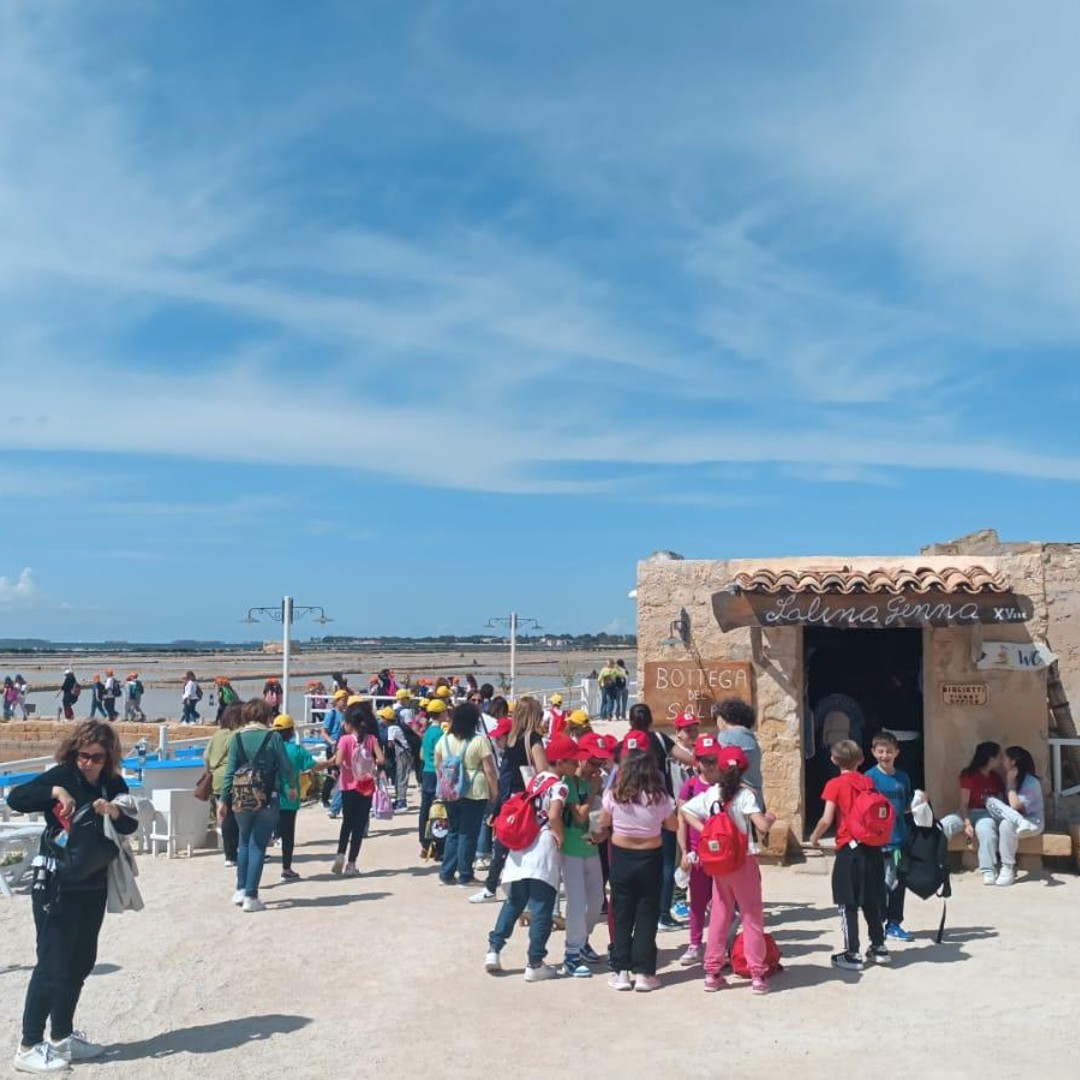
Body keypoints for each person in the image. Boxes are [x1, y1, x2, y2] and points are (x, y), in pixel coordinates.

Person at [7, 720, 139, 1072]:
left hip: (93, 882)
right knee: (52, 962)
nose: (89, 763)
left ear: (109, 756)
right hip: (55, 882)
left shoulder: (112, 782)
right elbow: (16, 798)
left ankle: (61, 1037)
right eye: (84, 755)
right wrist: (55, 792)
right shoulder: (63, 775)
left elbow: (130, 823)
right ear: (73, 752)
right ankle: (28, 1045)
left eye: (97, 757)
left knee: (80, 962)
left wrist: (113, 810)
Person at [680, 746, 777, 993]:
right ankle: (757, 974)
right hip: (743, 860)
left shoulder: (712, 793)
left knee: (719, 915)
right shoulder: (746, 795)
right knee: (751, 916)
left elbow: (686, 810)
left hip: (719, 862)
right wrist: (771, 818)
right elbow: (762, 826)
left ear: (720, 767)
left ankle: (712, 972)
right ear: (745, 768)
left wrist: (706, 831)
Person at [598, 731, 678, 992]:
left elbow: (603, 823)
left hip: (622, 857)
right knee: (647, 913)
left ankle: (621, 972)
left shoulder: (615, 794)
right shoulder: (660, 796)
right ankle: (644, 973)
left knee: (622, 913)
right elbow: (672, 826)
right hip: (650, 858)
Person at [484, 760, 568, 982]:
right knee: (542, 908)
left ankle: (493, 950)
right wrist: (561, 837)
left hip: (521, 845)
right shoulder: (560, 786)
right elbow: (554, 815)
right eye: (573, 761)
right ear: (562, 762)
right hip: (542, 848)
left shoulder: (538, 779)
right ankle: (535, 962)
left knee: (514, 903)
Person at [808, 739, 889, 971]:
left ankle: (852, 952)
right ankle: (879, 947)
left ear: (834, 760)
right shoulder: (869, 781)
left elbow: (826, 819)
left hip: (849, 848)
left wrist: (814, 837)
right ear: (861, 760)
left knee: (848, 901)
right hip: (872, 847)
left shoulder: (834, 784)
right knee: (871, 898)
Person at [470, 696, 550, 903]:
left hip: (510, 799)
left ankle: (491, 887)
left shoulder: (512, 740)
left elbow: (506, 776)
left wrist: (497, 807)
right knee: (527, 844)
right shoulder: (532, 739)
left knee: (503, 844)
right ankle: (523, 889)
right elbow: (543, 772)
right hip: (527, 799)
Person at [220, 699, 295, 912]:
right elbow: (286, 766)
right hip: (267, 797)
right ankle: (251, 896)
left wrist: (223, 800)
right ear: (266, 716)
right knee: (258, 846)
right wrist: (290, 786)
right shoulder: (273, 737)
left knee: (243, 843)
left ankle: (240, 889)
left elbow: (230, 772)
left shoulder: (236, 738)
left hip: (240, 797)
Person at [626, 702, 694, 932]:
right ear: (651, 720)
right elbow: (687, 759)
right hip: (659, 805)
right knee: (665, 863)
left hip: (630, 810)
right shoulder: (658, 739)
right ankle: (663, 914)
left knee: (636, 861)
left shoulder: (625, 743)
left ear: (630, 721)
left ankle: (639, 911)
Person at [553, 734, 605, 977]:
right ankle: (571, 954)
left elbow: (599, 819)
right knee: (576, 901)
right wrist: (593, 790)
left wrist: (602, 834)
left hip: (591, 848)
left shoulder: (593, 783)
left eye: (600, 763)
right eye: (593, 762)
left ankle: (582, 940)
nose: (596, 768)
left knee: (596, 900)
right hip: (571, 849)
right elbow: (580, 815)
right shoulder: (569, 782)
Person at [434, 702, 498, 887]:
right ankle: (465, 875)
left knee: (454, 831)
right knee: (468, 834)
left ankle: (446, 873)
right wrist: (495, 793)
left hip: (451, 790)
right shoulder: (479, 741)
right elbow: (489, 770)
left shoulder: (445, 739)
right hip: (474, 791)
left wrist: (447, 781)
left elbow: (438, 763)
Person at [676, 733, 723, 967]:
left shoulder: (726, 784)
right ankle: (695, 944)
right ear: (698, 762)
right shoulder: (691, 786)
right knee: (697, 902)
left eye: (714, 759)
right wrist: (684, 851)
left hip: (723, 854)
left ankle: (719, 944)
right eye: (706, 760)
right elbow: (682, 820)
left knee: (720, 902)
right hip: (698, 853)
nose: (710, 765)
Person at [865, 731, 913, 941]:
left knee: (898, 884)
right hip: (877, 842)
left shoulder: (903, 778)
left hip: (899, 839)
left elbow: (907, 806)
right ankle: (878, 924)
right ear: (873, 752)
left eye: (889, 752)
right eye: (881, 751)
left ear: (897, 753)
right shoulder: (869, 778)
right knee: (879, 885)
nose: (885, 755)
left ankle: (894, 923)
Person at [329, 701, 385, 876]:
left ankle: (340, 854)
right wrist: (372, 766)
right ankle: (351, 864)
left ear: (348, 724)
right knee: (359, 825)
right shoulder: (371, 739)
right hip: (366, 785)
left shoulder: (344, 740)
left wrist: (343, 764)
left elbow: (338, 761)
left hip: (347, 786)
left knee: (347, 822)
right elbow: (381, 759)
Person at [940, 741, 1006, 884]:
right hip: (966, 812)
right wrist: (967, 823)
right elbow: (964, 803)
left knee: (986, 831)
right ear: (990, 758)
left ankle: (988, 869)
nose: (1001, 759)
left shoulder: (995, 778)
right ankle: (935, 864)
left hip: (986, 813)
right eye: (999, 756)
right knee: (944, 825)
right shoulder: (969, 775)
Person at [272, 713, 326, 881]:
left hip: (267, 797)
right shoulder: (296, 750)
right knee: (288, 835)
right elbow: (314, 766)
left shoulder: (268, 749)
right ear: (291, 731)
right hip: (289, 797)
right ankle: (286, 868)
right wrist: (331, 762)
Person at [984, 745, 1044, 887]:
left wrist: (1010, 782)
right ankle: (1007, 868)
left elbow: (1015, 805)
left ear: (1013, 762)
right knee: (992, 803)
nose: (1001, 762)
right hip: (1016, 821)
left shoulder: (1031, 782)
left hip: (1033, 822)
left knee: (1006, 823)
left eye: (1004, 759)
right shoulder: (1011, 778)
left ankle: (1007, 867)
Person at [205, 704, 242, 868]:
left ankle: (230, 855)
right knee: (238, 816)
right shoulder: (236, 734)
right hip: (232, 777)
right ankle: (236, 852)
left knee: (225, 815)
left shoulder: (217, 734)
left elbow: (206, 757)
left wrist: (208, 774)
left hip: (217, 778)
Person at [714, 698, 764, 801]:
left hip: (737, 797)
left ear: (722, 719)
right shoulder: (750, 737)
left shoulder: (725, 736)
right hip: (755, 795)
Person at [418, 698, 448, 854]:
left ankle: (424, 842)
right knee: (438, 809)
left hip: (426, 771)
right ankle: (438, 843)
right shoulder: (440, 734)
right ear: (442, 713)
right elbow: (442, 756)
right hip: (436, 773)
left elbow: (422, 755)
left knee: (425, 808)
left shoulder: (428, 731)